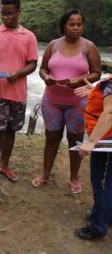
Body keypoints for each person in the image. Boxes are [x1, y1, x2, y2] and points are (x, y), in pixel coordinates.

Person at [32, 9, 101, 193]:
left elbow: (96, 73)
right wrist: (46, 77)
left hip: (77, 102)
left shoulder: (89, 47)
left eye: (79, 24)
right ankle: (45, 174)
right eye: (72, 24)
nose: (76, 28)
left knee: (75, 140)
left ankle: (74, 177)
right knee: (51, 138)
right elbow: (43, 69)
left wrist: (79, 80)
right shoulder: (53, 46)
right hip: (52, 101)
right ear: (63, 25)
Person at [0, 0, 38, 188]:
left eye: (10, 14)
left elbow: (32, 64)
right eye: (3, 14)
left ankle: (5, 165)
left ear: (18, 12)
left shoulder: (29, 36)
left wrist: (18, 74)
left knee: (11, 130)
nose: (6, 17)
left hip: (18, 92)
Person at [74, 75, 112, 240]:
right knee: (109, 182)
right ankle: (106, 215)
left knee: (102, 183)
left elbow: (109, 113)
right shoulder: (107, 86)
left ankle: (97, 227)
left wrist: (90, 142)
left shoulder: (110, 85)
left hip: (107, 141)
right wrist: (94, 91)